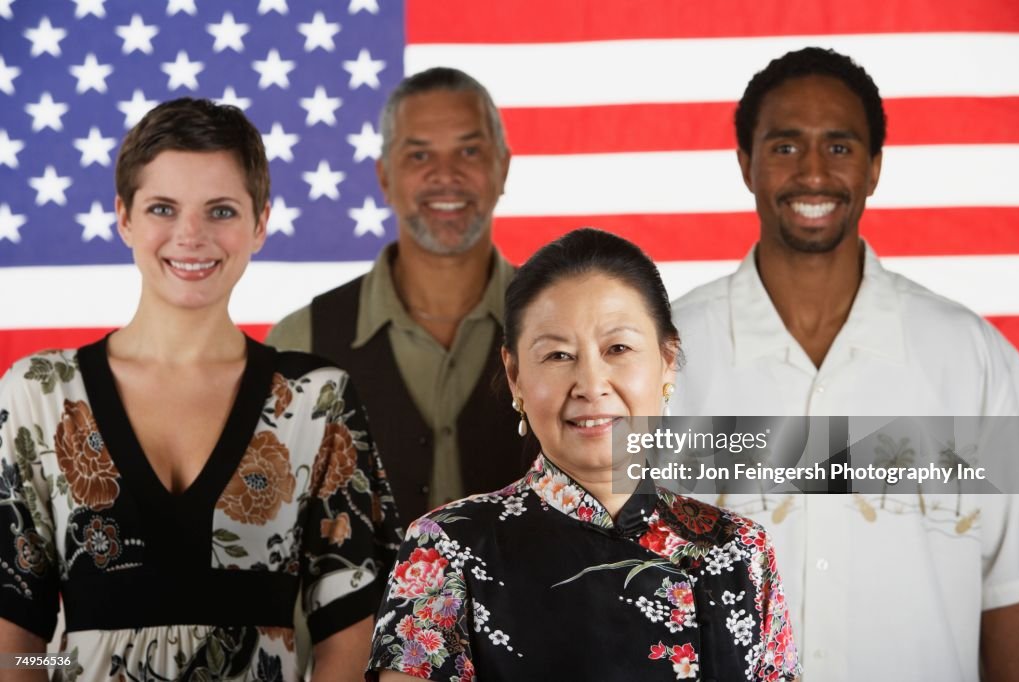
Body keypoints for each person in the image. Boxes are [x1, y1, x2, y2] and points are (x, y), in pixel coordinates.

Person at [0, 98, 402, 681]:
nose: (190, 235)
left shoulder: (316, 401)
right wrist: (79, 660)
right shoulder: (39, 395)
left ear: (260, 223)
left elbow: (354, 622)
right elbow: (17, 640)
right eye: (163, 207)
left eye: (220, 210)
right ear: (124, 217)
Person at [669, 47, 1019, 681]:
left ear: (875, 167)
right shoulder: (661, 358)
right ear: (745, 164)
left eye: (839, 147)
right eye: (784, 147)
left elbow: (1012, 596)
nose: (812, 172)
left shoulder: (971, 362)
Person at [367, 228, 801, 681]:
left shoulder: (738, 550)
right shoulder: (446, 548)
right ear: (515, 375)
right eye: (558, 355)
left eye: (618, 349)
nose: (591, 385)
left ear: (667, 359)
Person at [266, 68, 524, 527]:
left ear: (502, 167)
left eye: (469, 150)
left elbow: (624, 495)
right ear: (385, 177)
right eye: (419, 154)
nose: (446, 175)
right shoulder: (302, 341)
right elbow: (272, 531)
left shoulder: (565, 325)